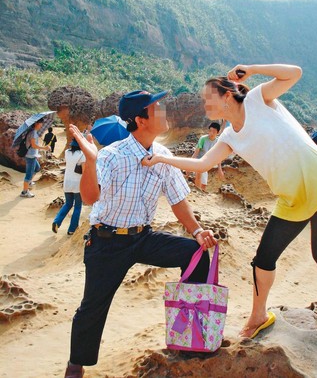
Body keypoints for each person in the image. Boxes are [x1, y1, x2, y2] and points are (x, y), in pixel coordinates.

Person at [142, 64, 317, 359]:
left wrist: (253, 70)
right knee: (263, 258)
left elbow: (295, 72)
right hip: (291, 197)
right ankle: (259, 316)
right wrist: (160, 158)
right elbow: (202, 165)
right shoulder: (228, 136)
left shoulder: (260, 99)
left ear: (226, 95)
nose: (204, 104)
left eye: (208, 97)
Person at [63, 89, 217, 377]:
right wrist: (91, 163)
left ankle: (190, 338)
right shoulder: (112, 155)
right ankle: (76, 364)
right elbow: (89, 197)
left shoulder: (163, 156)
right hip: (106, 241)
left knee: (194, 253)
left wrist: (196, 230)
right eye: (157, 108)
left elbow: (177, 200)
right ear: (140, 119)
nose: (164, 111)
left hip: (143, 238)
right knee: (92, 307)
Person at [52, 139, 86, 235]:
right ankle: (72, 229)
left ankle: (57, 222)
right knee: (78, 206)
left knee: (68, 204)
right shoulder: (82, 154)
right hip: (77, 183)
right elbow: (84, 171)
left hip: (67, 182)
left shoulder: (67, 153)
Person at [20, 119, 51, 198]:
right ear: (37, 123)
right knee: (29, 174)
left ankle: (29, 182)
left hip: (33, 155)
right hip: (31, 156)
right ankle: (24, 192)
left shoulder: (33, 132)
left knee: (37, 168)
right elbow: (33, 146)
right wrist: (44, 148)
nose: (42, 125)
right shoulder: (33, 133)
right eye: (41, 123)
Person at [192, 122, 224, 191]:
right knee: (199, 176)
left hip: (207, 163)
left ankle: (200, 194)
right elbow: (196, 152)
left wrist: (220, 169)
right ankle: (197, 192)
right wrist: (190, 163)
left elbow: (218, 156)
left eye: (214, 131)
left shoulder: (218, 141)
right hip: (199, 161)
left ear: (217, 133)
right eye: (210, 131)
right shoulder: (203, 139)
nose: (211, 133)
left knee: (204, 185)